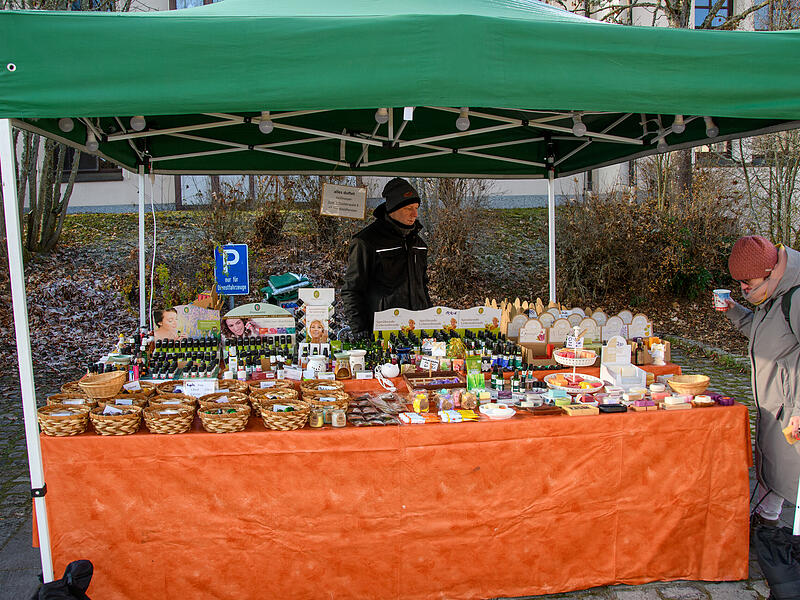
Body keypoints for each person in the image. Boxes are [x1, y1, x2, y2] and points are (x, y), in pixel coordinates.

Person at [723, 235, 800, 526]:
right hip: (774, 403)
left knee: (788, 470)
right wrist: (733, 311)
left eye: (748, 284)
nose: (743, 289)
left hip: (790, 408)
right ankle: (766, 521)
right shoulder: (773, 292)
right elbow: (763, 334)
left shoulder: (795, 297)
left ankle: (779, 542)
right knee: (773, 467)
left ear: (769, 272)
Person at [342, 178, 432, 335]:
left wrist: (430, 318)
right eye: (409, 208)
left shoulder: (419, 243)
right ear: (393, 209)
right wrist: (360, 330)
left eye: (416, 208)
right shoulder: (366, 242)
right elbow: (352, 290)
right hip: (383, 329)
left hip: (418, 327)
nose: (415, 214)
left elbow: (423, 286)